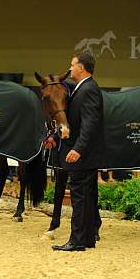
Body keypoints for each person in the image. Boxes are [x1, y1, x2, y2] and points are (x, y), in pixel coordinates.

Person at [50, 52, 105, 252]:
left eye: (72, 65)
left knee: (80, 197)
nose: (70, 68)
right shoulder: (83, 88)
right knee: (88, 196)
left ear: (81, 68)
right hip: (84, 154)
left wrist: (78, 149)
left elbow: (90, 124)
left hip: (82, 155)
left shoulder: (88, 89)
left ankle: (77, 240)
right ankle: (88, 238)